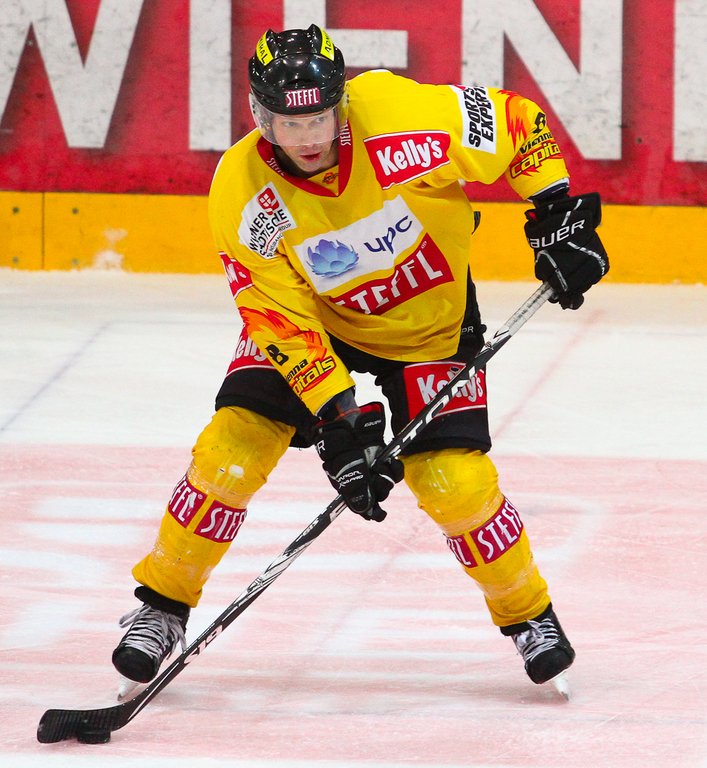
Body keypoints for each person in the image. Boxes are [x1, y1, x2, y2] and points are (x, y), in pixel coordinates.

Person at [112, 25, 608, 691]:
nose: (307, 138)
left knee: (454, 485)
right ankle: (162, 607)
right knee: (232, 447)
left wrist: (555, 217)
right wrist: (338, 420)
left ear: (341, 104)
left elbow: (516, 125)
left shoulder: (401, 118)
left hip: (429, 326)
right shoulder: (243, 190)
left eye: (319, 118)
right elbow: (280, 319)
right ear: (260, 117)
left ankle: (529, 616)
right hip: (318, 320)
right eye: (289, 124)